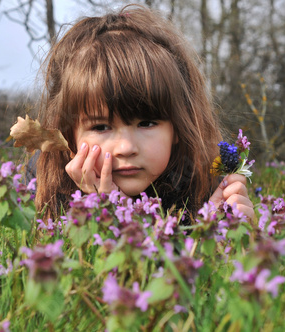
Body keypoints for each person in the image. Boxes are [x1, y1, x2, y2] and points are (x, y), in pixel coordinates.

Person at [30, 4, 254, 222]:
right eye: (101, 127)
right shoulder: (39, 189)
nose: (126, 148)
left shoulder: (201, 189)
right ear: (68, 135)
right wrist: (107, 212)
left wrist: (220, 235)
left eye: (146, 123)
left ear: (178, 127)